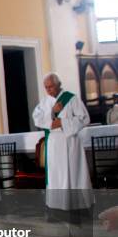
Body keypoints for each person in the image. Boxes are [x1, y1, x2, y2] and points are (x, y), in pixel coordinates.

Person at [32, 73, 91, 209]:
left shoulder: (71, 98)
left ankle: (76, 203)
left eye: (51, 87)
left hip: (69, 141)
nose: (48, 90)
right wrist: (52, 112)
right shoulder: (45, 101)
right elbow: (37, 118)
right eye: (46, 87)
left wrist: (63, 122)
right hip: (53, 142)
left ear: (58, 84)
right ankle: (58, 204)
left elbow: (84, 118)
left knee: (72, 171)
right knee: (56, 173)